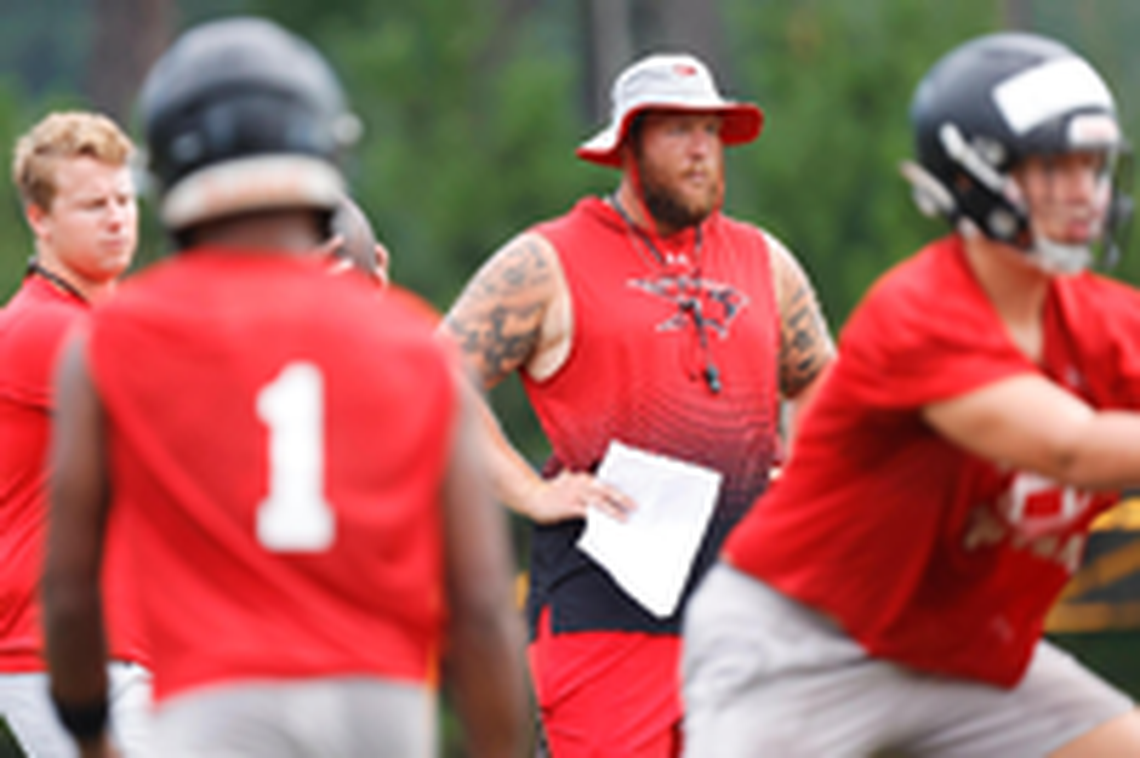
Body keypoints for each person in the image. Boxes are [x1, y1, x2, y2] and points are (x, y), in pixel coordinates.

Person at [41, 16, 529, 758]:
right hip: (381, 703)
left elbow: (71, 588)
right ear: (325, 150)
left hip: (216, 702)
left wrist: (91, 737)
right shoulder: (411, 342)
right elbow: (484, 606)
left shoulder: (118, 338)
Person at [682, 31, 1140, 757]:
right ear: (972, 177)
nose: (1084, 190)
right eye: (1054, 166)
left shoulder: (1100, 321)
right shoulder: (922, 313)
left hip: (964, 655)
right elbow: (1070, 447)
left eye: (1092, 165)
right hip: (804, 645)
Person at [439, 52, 834, 757]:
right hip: (606, 616)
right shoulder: (547, 259)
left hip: (747, 614)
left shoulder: (764, 260)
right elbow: (434, 375)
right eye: (677, 130)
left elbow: (820, 381)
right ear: (628, 144)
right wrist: (530, 491)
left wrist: (802, 477)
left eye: (711, 131)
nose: (700, 150)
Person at [0, 111, 151, 757]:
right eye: (93, 205)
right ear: (40, 218)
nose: (117, 218)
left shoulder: (117, 321)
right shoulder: (41, 330)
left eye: (123, 199)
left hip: (123, 642)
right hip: (53, 649)